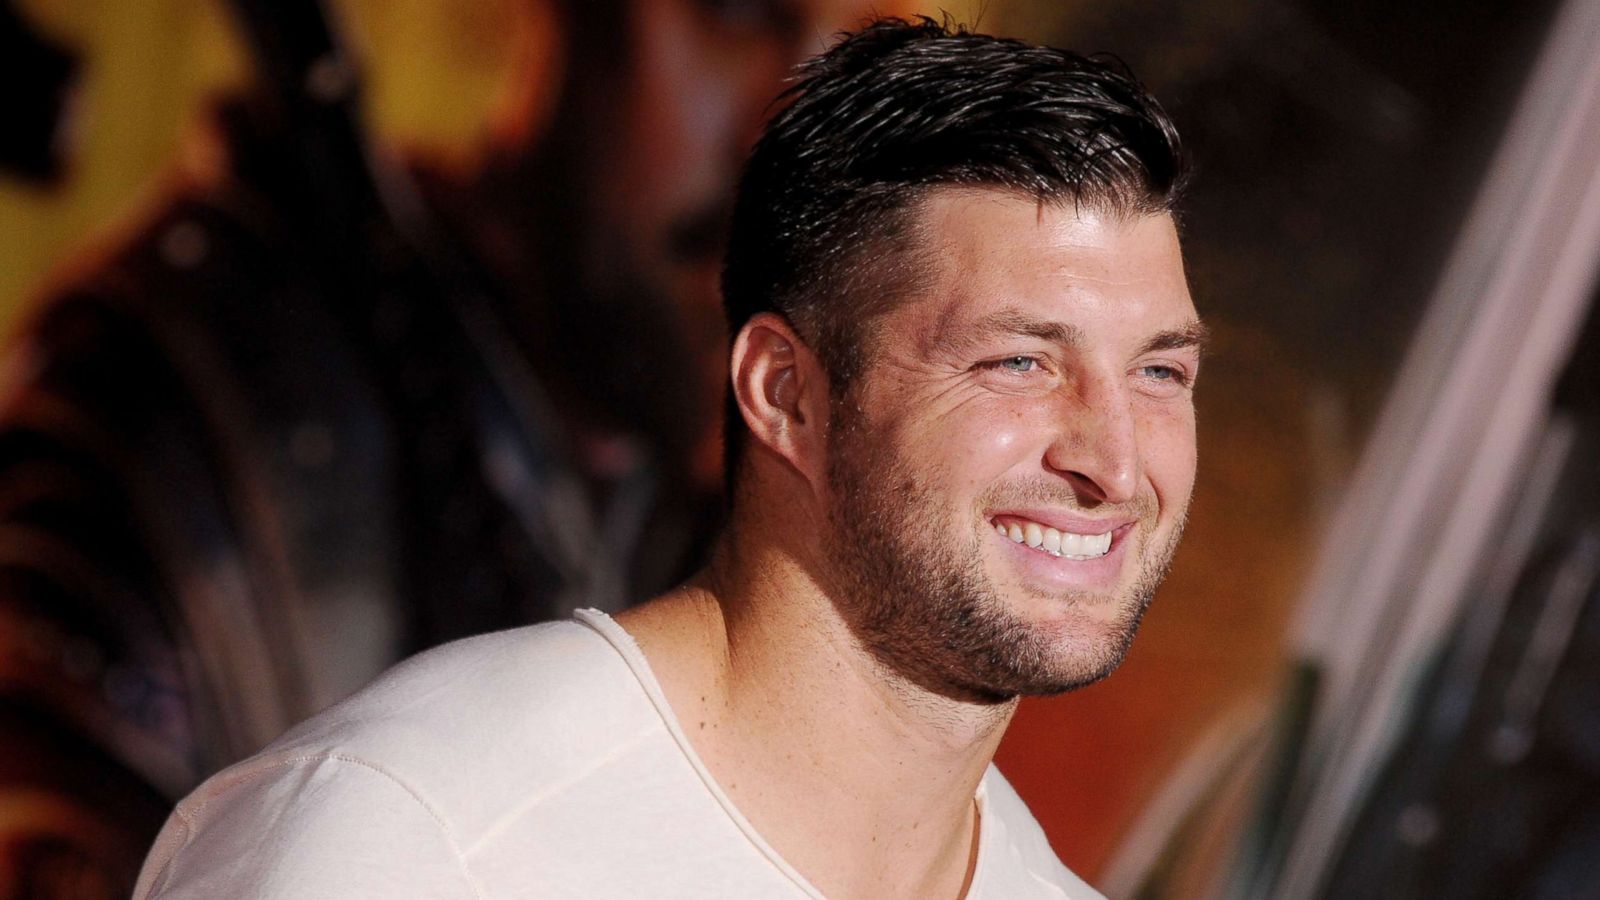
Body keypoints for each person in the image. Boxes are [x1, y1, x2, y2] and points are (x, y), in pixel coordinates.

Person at [132, 16, 1202, 899]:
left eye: (1159, 374)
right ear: (785, 394)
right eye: (1018, 362)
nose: (1113, 462)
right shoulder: (409, 841)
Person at [0, 0, 882, 894]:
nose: (798, 155)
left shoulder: (730, 516)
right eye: (737, 15)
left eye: (860, 57)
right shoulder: (194, 406)